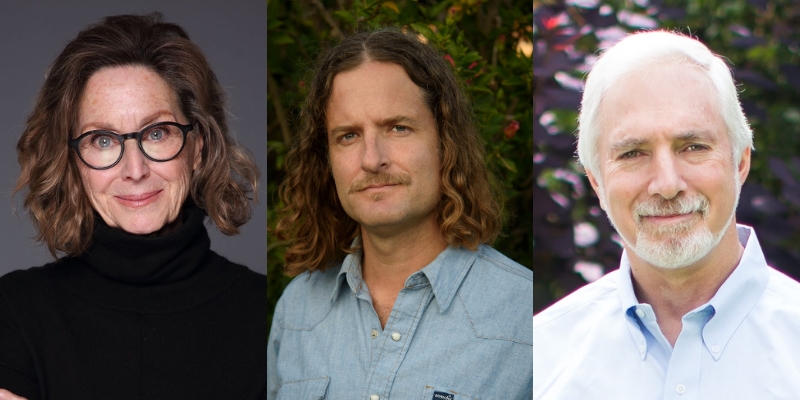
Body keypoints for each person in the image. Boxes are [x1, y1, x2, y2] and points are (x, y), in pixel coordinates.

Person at [0, 14, 264, 400]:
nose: (134, 170)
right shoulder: (14, 312)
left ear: (197, 147)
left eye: (156, 133)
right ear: (72, 160)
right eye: (102, 140)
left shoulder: (266, 314)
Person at [533, 30, 800, 399]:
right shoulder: (540, 357)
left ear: (740, 162)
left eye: (693, 146)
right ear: (597, 182)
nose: (667, 184)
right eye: (632, 153)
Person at [267, 29, 532, 399]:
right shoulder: (296, 312)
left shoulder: (527, 315)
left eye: (398, 127)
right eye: (348, 136)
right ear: (325, 160)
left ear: (445, 143)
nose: (372, 159)